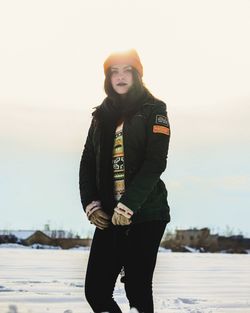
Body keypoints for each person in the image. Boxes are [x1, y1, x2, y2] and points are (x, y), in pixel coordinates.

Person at [79, 48, 171, 313]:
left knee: (137, 287)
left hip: (146, 213)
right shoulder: (100, 115)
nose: (120, 77)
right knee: (96, 292)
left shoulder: (155, 110)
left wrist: (128, 204)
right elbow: (87, 161)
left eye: (126, 70)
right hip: (108, 213)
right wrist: (91, 205)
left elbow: (155, 162)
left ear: (137, 74)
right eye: (114, 72)